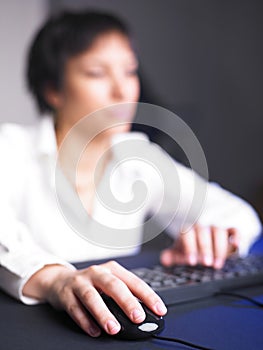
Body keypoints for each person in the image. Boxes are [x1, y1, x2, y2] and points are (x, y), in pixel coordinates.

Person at [0, 11, 261, 338]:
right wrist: (56, 279)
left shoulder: (137, 158)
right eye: (97, 73)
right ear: (53, 89)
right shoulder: (9, 147)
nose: (123, 90)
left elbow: (239, 214)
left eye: (130, 71)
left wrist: (216, 239)